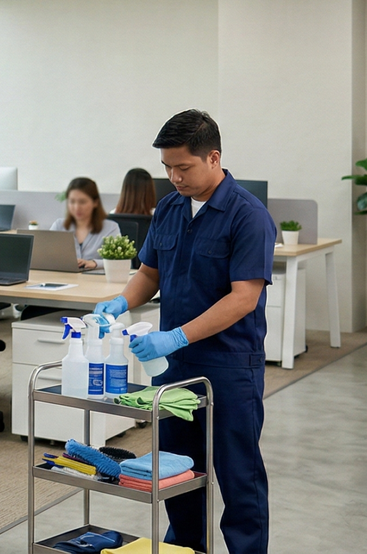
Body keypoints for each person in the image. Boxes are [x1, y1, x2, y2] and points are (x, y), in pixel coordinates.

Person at [94, 110, 273, 554]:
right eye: (167, 167)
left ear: (213, 158)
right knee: (177, 471)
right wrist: (121, 301)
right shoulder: (170, 208)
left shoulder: (248, 216)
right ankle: (185, 549)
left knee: (239, 476)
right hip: (174, 368)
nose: (174, 177)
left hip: (229, 365)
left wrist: (176, 336)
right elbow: (149, 273)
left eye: (184, 167)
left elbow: (243, 298)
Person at [49, 177, 120, 270]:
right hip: (63, 279)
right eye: (72, 202)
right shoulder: (59, 225)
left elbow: (119, 261)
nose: (77, 207)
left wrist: (95, 263)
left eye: (82, 202)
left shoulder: (111, 228)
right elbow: (44, 255)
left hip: (96, 281)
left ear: (95, 202)